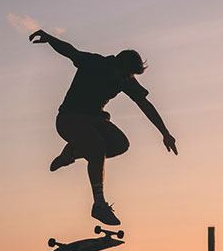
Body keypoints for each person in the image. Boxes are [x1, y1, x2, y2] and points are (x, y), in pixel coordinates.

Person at [30, 29, 178, 225]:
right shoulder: (94, 62)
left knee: (120, 144)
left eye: (129, 76)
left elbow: (145, 105)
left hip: (95, 121)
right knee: (98, 147)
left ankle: (71, 153)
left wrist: (165, 133)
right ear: (116, 64)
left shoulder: (126, 78)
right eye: (124, 75)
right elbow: (70, 51)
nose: (125, 80)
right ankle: (99, 205)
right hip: (69, 119)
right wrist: (49, 38)